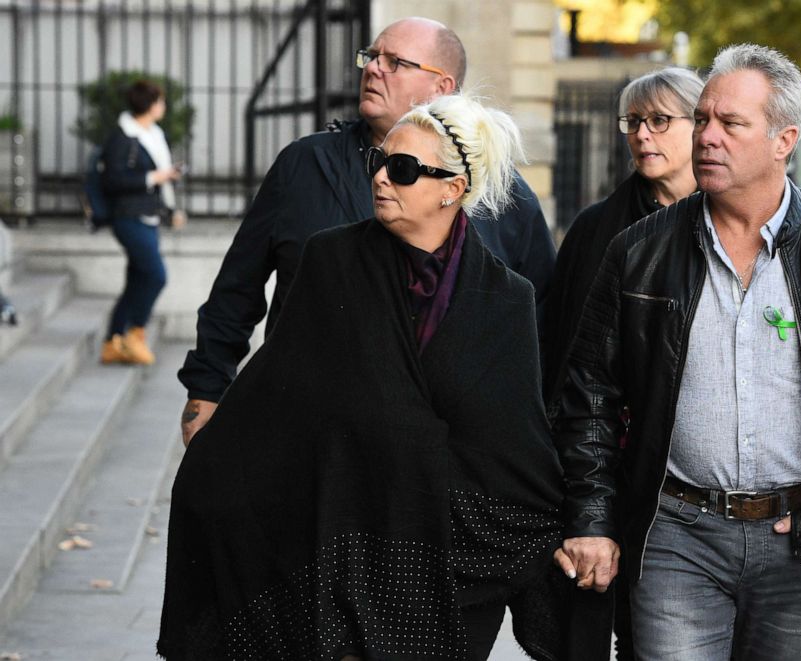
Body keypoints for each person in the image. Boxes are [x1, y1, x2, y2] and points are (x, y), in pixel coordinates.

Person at [158, 94, 572, 660]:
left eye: (402, 170)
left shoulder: (505, 298)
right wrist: (214, 457)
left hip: (449, 560)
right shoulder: (331, 259)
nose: (380, 178)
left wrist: (566, 530)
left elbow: (514, 440)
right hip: (339, 540)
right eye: (379, 161)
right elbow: (281, 392)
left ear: (453, 187)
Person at [552, 44, 801, 660]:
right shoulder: (637, 252)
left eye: (731, 124)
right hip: (676, 534)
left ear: (785, 139)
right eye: (702, 119)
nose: (707, 137)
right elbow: (588, 395)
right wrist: (593, 517)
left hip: (800, 545)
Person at [177, 17, 555, 444]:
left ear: (442, 87)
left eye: (395, 62)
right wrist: (205, 391)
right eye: (372, 56)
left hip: (442, 444)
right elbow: (236, 289)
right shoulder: (304, 165)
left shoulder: (503, 194)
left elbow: (540, 323)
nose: (373, 68)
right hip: (307, 427)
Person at [541, 66, 703, 661]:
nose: (642, 135)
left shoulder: (731, 224)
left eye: (661, 120)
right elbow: (564, 351)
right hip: (605, 458)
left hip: (690, 471)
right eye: (633, 122)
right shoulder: (596, 229)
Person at [99, 79, 185, 365]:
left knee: (137, 278)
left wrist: (171, 208)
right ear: (149, 104)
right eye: (160, 101)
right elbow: (111, 181)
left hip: (149, 215)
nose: (163, 106)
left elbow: (161, 176)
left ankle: (112, 342)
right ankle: (135, 333)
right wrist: (153, 178)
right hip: (128, 217)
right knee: (156, 275)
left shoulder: (154, 134)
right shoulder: (123, 137)